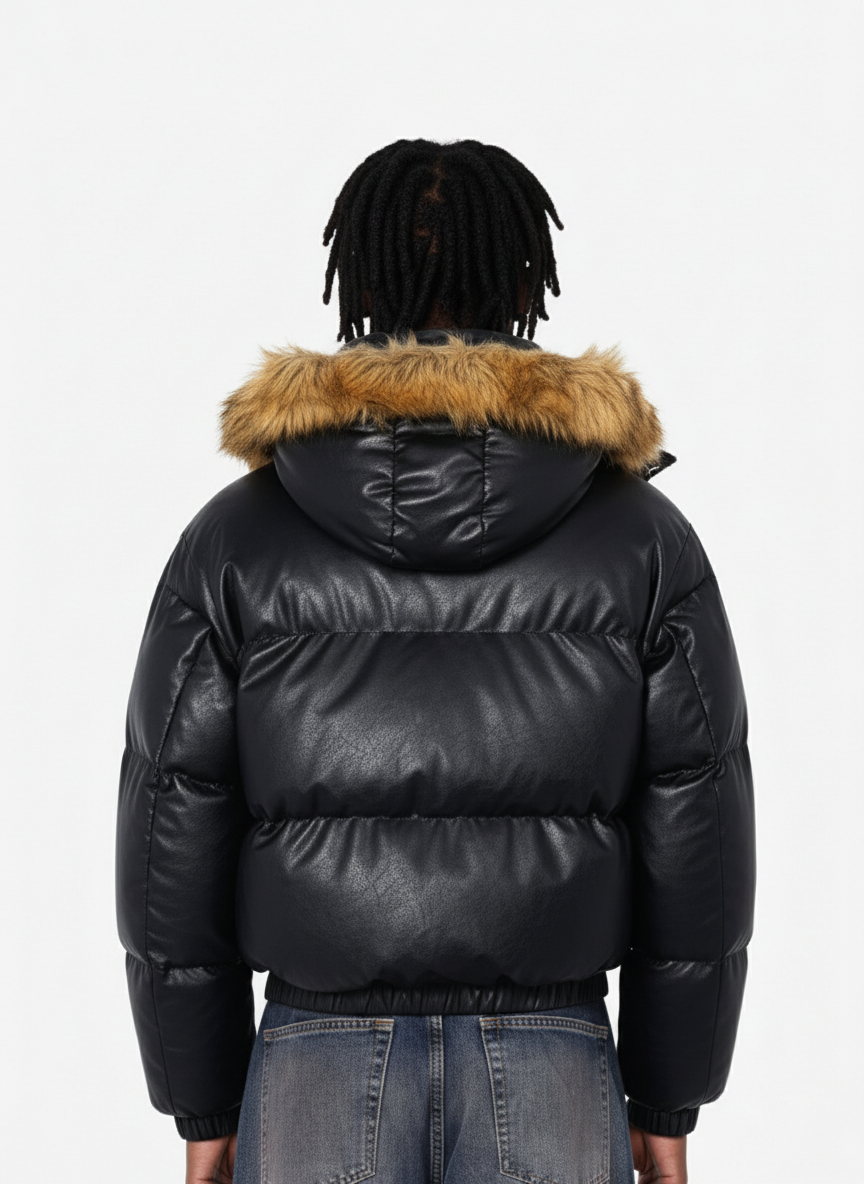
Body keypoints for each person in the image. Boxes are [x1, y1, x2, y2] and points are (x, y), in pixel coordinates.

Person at [115, 138, 756, 1184]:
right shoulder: (644, 540)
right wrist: (668, 1099)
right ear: (525, 289)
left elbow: (171, 833)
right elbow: (700, 836)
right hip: (554, 1056)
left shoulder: (235, 539)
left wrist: (201, 1103)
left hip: (314, 1059)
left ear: (360, 293)